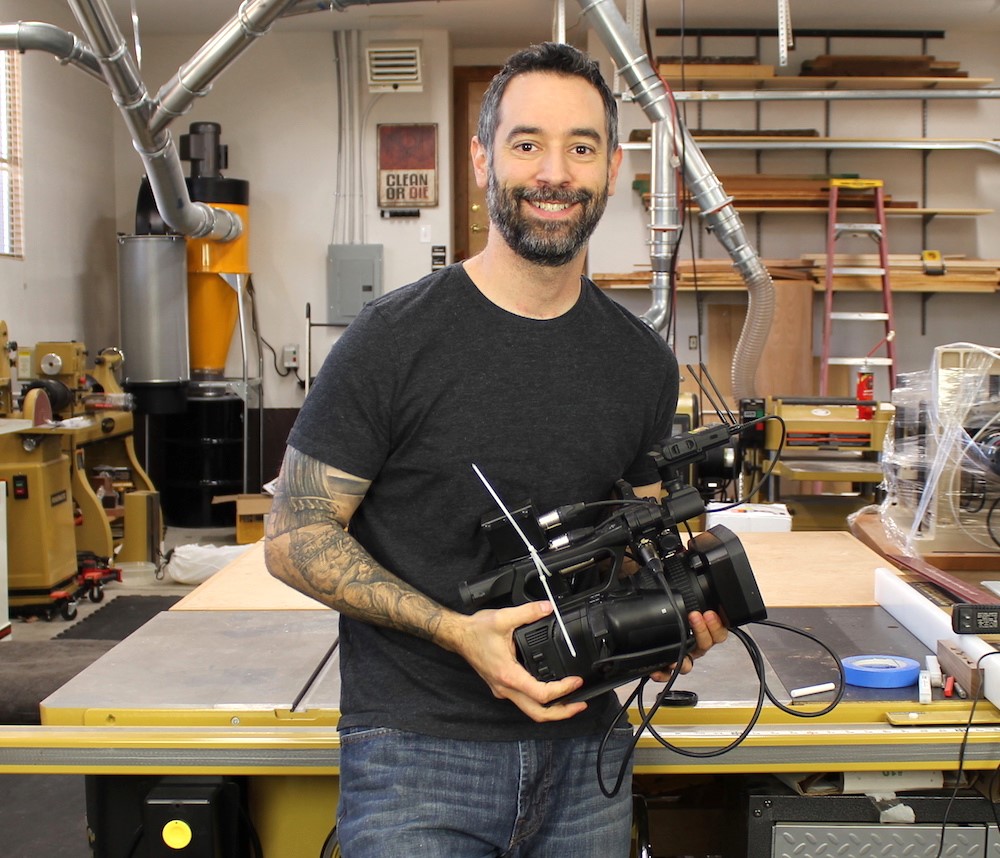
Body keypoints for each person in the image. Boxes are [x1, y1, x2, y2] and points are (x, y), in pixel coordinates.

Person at [264, 41, 727, 858]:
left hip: (589, 754)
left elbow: (636, 548)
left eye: (581, 147)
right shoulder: (392, 341)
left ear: (613, 168)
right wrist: (456, 631)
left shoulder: (640, 363)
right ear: (482, 159)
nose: (555, 172)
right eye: (527, 144)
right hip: (416, 754)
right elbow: (294, 537)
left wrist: (669, 621)